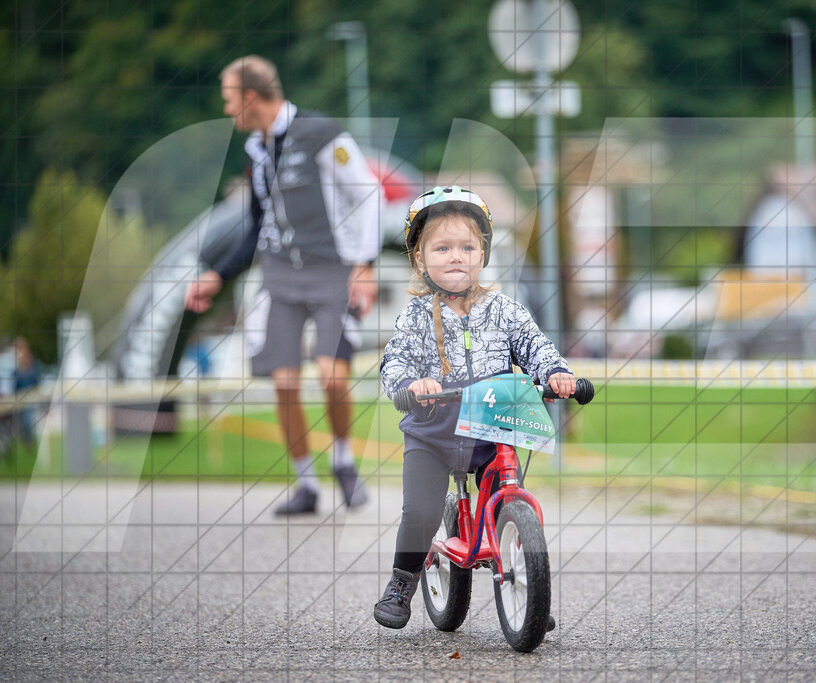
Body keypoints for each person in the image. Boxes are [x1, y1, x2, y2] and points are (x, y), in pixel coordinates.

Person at [374, 186, 575, 629]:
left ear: (483, 254)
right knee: (422, 512)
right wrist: (411, 383)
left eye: (467, 247)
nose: (456, 257)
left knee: (510, 495)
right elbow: (396, 359)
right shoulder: (415, 315)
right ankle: (402, 580)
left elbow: (534, 346)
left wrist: (556, 373)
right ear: (420, 260)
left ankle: (528, 588)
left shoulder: (505, 310)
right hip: (433, 432)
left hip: (491, 430)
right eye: (442, 248)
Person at [185, 55, 379, 514]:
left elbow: (367, 193)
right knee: (285, 382)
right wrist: (218, 276)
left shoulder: (321, 134)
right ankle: (307, 484)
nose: (228, 108)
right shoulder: (256, 150)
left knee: (332, 374)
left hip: (332, 270)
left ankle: (344, 461)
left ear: (250, 97)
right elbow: (257, 226)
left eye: (230, 98)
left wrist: (365, 265)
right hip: (280, 278)